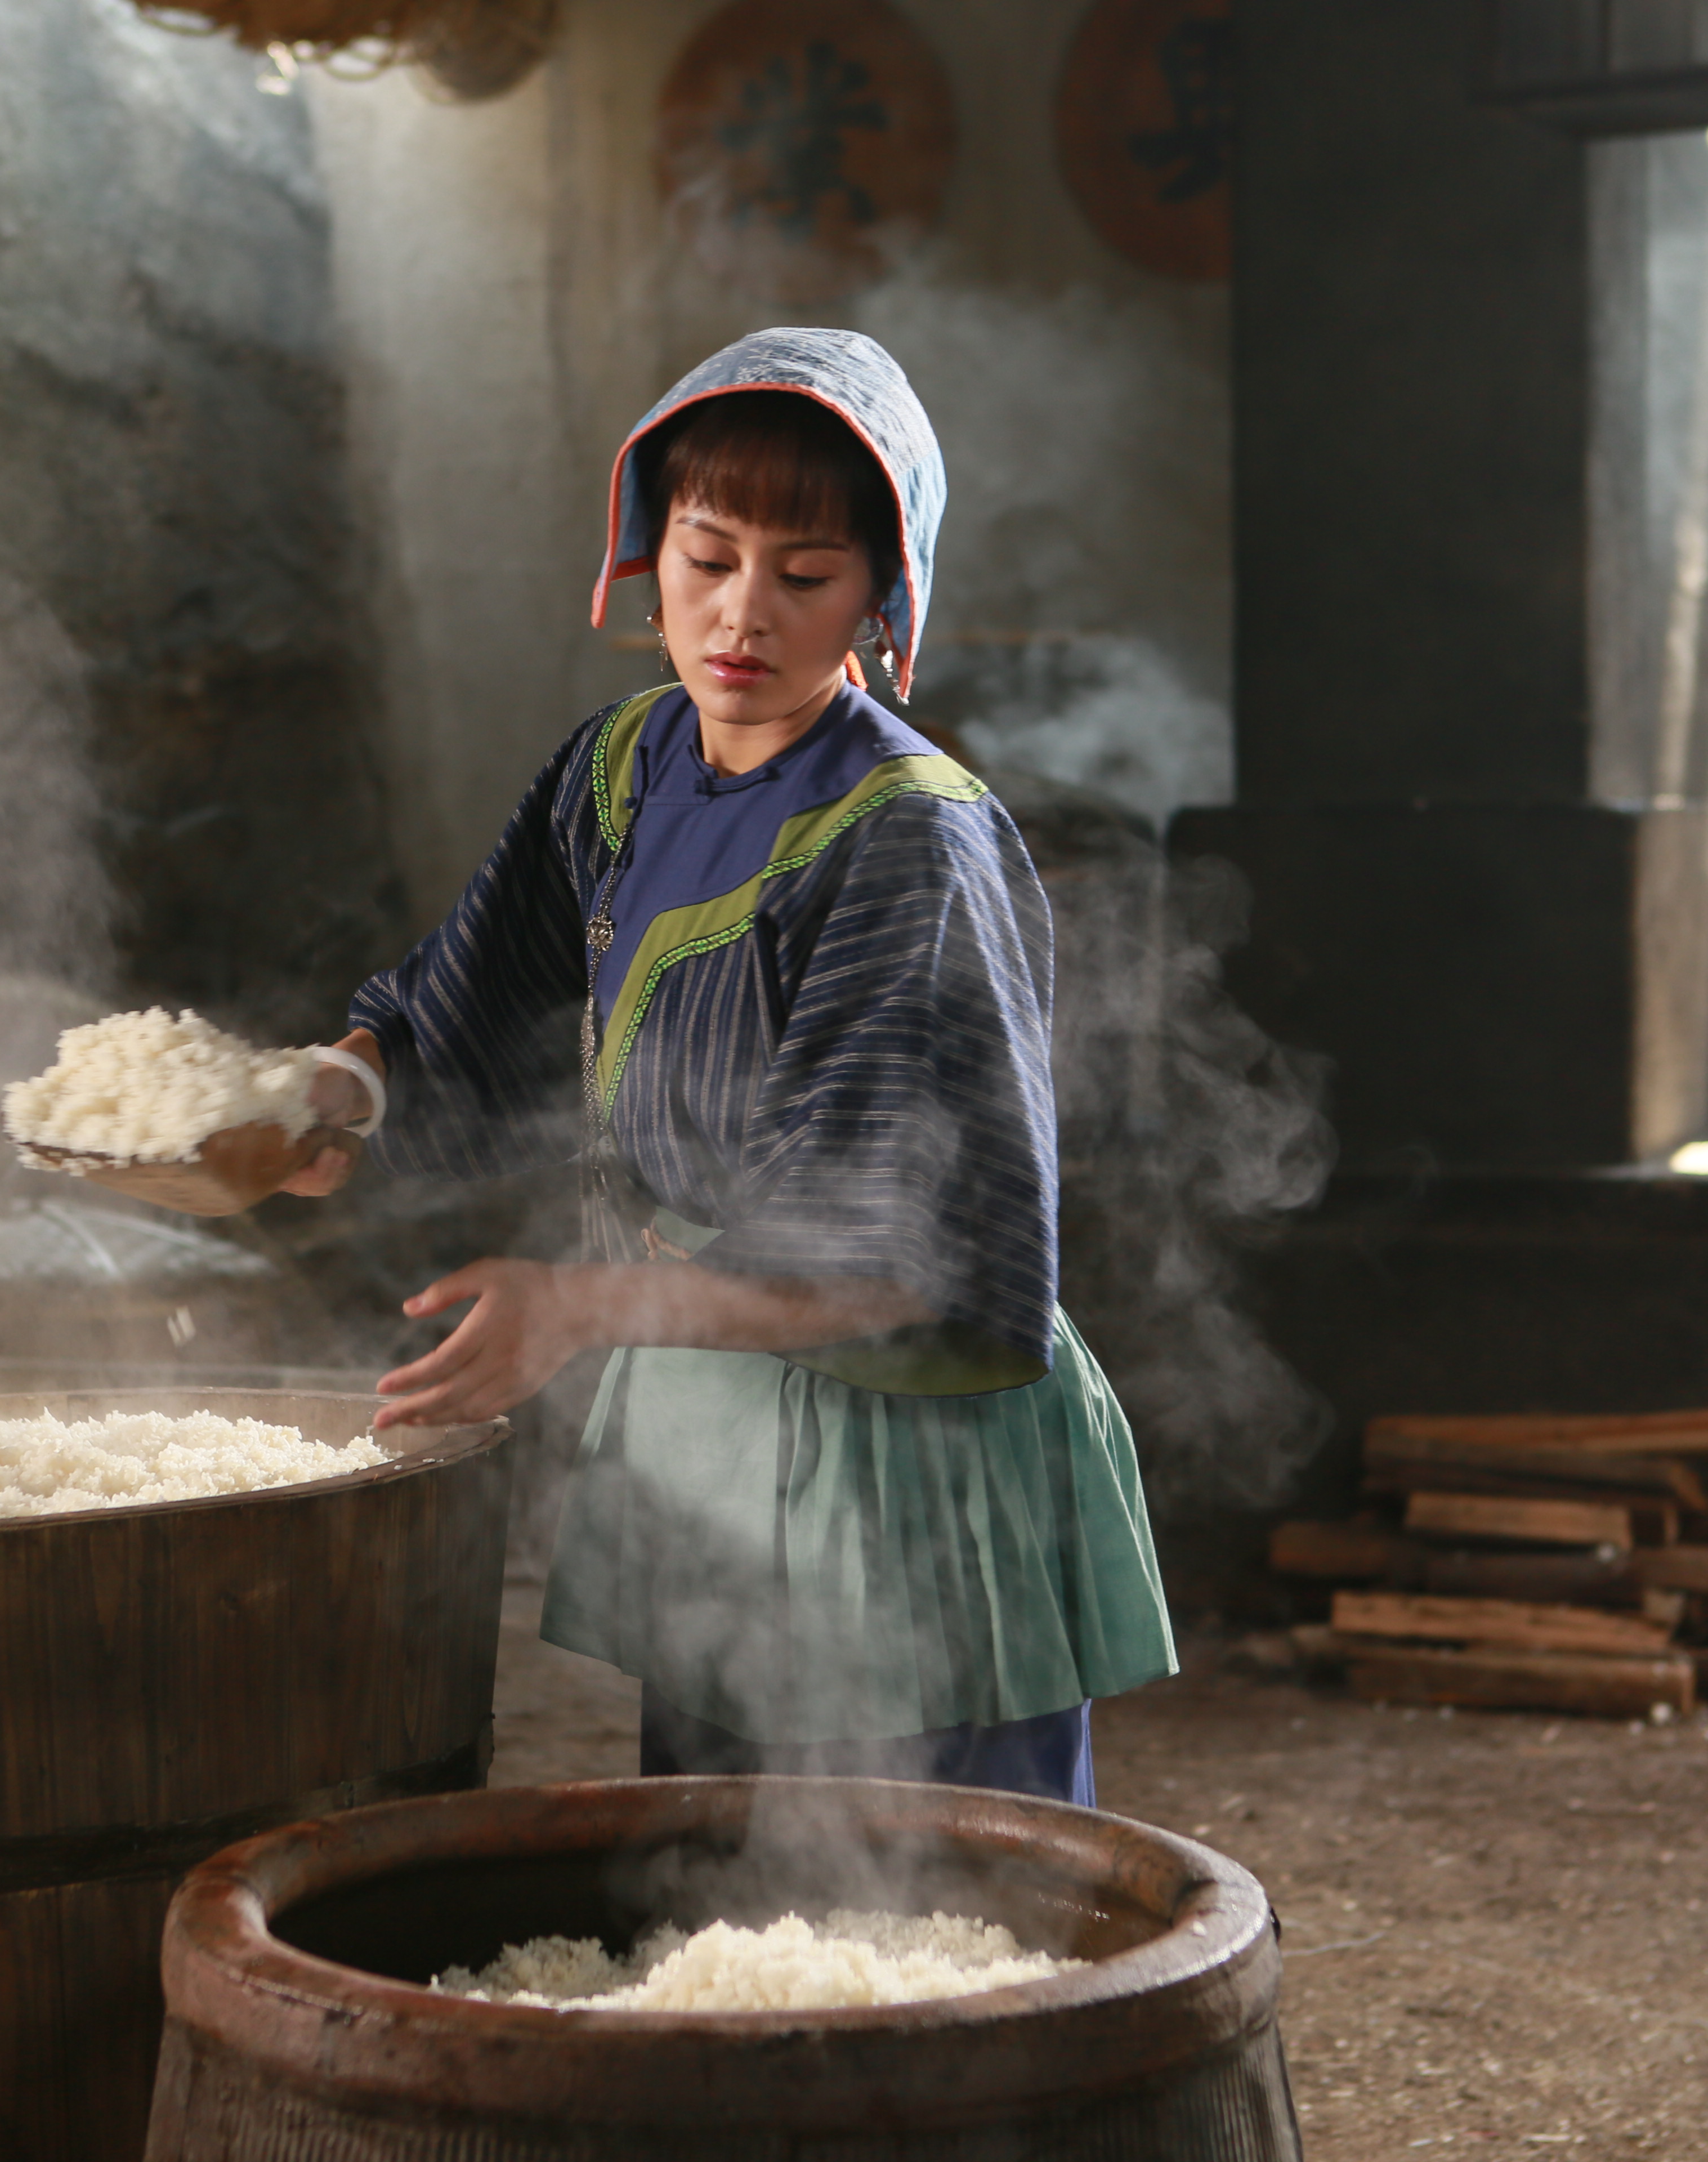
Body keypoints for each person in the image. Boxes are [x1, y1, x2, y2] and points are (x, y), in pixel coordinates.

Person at [284, 328, 1175, 1805]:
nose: (742, 614)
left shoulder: (911, 843)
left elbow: (906, 1267)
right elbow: (463, 1000)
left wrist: (581, 1308)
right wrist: (328, 1096)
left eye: (806, 574)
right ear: (649, 558)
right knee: (722, 1895)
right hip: (713, 1419)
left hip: (906, 1453)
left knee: (943, 1930)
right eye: (708, 558)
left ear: (886, 597)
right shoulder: (622, 768)